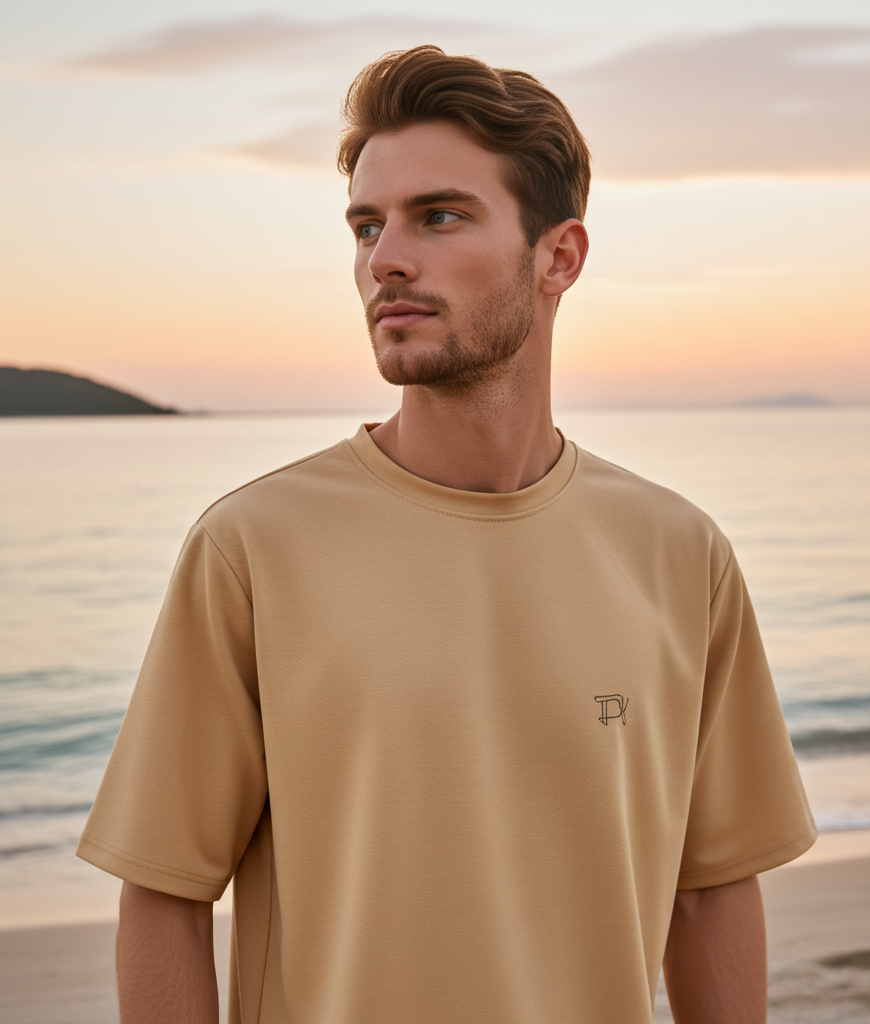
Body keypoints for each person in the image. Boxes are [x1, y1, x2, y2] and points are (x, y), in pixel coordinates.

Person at [77, 45, 816, 1024]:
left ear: (559, 256)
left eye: (439, 215)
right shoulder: (255, 547)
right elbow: (166, 892)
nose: (384, 257)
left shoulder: (678, 554)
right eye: (365, 225)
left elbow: (710, 884)